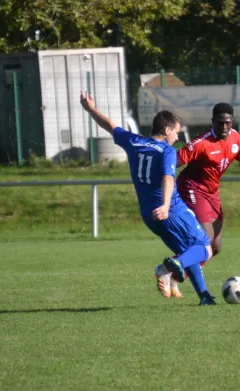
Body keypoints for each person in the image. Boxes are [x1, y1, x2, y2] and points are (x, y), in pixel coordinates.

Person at [79, 90, 217, 306]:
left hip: (148, 214)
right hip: (171, 210)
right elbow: (168, 178)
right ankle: (166, 269)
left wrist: (91, 109)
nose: (177, 138)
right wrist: (165, 205)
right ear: (167, 129)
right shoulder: (166, 151)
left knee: (187, 250)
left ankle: (205, 297)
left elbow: (110, 126)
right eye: (176, 132)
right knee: (205, 248)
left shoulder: (134, 142)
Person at [166, 102, 240, 297]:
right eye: (220, 123)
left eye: (228, 123)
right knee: (204, 240)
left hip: (212, 193)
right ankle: (169, 268)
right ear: (212, 121)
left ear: (232, 122)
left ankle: (175, 274)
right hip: (192, 189)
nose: (224, 127)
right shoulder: (201, 143)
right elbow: (173, 162)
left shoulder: (237, 141)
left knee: (215, 247)